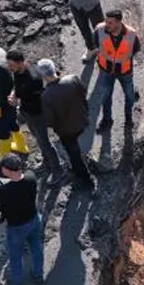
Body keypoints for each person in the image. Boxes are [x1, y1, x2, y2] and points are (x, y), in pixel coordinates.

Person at [37, 59, 95, 191]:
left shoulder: (45, 96)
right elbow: (83, 94)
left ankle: (86, 180)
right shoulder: (73, 79)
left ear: (44, 77)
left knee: (75, 156)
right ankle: (82, 172)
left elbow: (49, 121)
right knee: (75, 150)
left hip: (66, 131)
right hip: (82, 121)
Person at [7, 50, 63, 184]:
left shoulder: (33, 78)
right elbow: (19, 88)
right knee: (37, 138)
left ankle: (58, 170)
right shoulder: (17, 72)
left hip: (37, 114)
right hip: (27, 113)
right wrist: (15, 94)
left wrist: (16, 102)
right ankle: (46, 161)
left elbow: (40, 99)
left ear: (21, 63)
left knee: (45, 142)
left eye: (12, 65)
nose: (9, 68)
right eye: (8, 64)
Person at [0, 154, 44, 285]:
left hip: (17, 227)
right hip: (33, 219)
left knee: (15, 255)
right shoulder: (31, 177)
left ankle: (17, 283)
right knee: (36, 246)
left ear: (8, 171)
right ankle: (38, 274)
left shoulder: (5, 190)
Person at [93, 10, 141, 133]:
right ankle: (107, 120)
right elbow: (95, 43)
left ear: (119, 23)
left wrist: (121, 59)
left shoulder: (131, 34)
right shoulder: (99, 30)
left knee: (129, 96)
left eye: (110, 23)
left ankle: (128, 119)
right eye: (106, 21)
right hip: (106, 71)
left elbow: (136, 49)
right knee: (105, 97)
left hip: (125, 71)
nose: (106, 24)